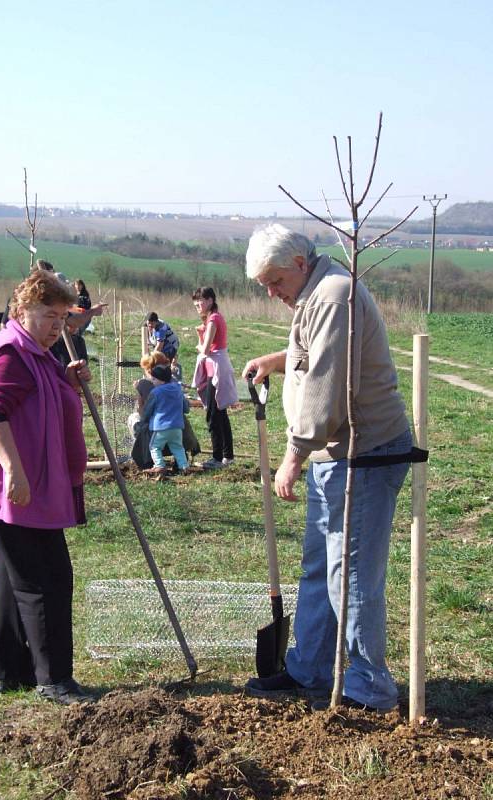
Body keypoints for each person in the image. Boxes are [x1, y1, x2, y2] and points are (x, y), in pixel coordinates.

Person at [242, 225, 412, 713]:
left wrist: (292, 456)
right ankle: (311, 669)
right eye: (264, 288)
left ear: (298, 263)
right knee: (320, 567)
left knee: (351, 574)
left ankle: (368, 686)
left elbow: (327, 388)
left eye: (274, 282)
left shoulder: (334, 295)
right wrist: (279, 359)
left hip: (364, 455)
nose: (272, 294)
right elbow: (317, 354)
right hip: (334, 457)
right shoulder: (314, 294)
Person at [0, 270, 95, 706]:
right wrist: (13, 470)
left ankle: (9, 669)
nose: (58, 326)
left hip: (28, 486)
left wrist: (65, 381)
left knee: (13, 576)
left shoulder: (35, 352)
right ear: (22, 311)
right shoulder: (11, 352)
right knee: (46, 578)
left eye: (62, 316)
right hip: (14, 489)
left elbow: (37, 398)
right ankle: (54, 679)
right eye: (49, 316)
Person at [191, 287, 238, 469]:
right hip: (218, 367)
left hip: (216, 371)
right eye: (195, 304)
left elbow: (205, 349)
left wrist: (199, 341)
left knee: (212, 415)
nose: (198, 306)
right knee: (221, 413)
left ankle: (217, 458)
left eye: (201, 302)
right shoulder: (215, 318)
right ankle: (228, 456)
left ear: (210, 300)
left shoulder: (213, 320)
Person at [141, 363, 190, 475]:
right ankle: (184, 466)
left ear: (161, 380)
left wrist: (143, 420)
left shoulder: (156, 392)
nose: (152, 381)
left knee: (154, 446)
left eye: (154, 379)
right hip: (177, 426)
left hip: (161, 427)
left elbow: (148, 409)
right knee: (178, 447)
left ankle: (159, 466)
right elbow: (186, 408)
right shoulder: (178, 389)